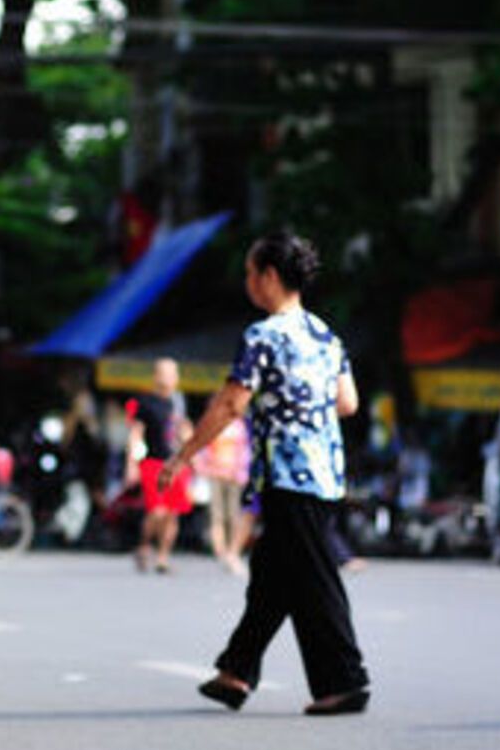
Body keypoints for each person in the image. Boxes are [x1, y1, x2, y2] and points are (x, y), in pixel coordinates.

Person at [161, 232, 370, 716]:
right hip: (325, 471)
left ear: (270, 277)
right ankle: (236, 672)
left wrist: (184, 454)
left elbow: (232, 403)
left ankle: (345, 680)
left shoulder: (263, 336)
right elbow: (348, 402)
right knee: (273, 574)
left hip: (287, 473)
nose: (248, 282)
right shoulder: (325, 335)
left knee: (315, 579)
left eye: (252, 272)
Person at [127, 359, 192, 573]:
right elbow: (136, 434)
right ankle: (144, 544)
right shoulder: (146, 403)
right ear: (156, 376)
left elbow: (184, 431)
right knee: (157, 511)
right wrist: (132, 464)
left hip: (175, 464)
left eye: (173, 374)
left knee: (173, 513)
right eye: (165, 374)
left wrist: (191, 455)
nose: (170, 378)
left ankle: (163, 557)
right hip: (152, 462)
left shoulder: (178, 403)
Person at [195, 417, 253, 575]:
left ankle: (232, 551)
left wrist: (242, 472)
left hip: (234, 475)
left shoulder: (239, 425)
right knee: (217, 515)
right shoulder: (213, 423)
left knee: (234, 514)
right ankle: (220, 552)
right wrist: (202, 467)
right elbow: (204, 448)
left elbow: (245, 450)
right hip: (214, 474)